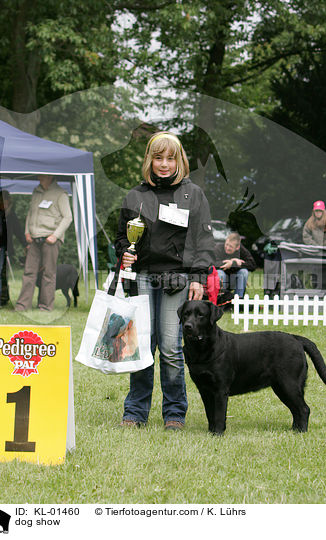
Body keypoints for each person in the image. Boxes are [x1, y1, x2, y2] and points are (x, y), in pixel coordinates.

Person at [115, 131, 215, 430]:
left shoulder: (193, 194)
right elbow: (123, 236)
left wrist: (198, 277)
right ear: (150, 160)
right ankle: (135, 412)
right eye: (158, 157)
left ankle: (174, 413)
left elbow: (203, 239)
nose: (164, 164)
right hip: (142, 278)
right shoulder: (135, 195)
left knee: (172, 348)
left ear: (179, 160)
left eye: (170, 158)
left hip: (179, 280)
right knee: (142, 347)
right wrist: (124, 252)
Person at [15, 175, 72, 312]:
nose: (39, 177)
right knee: (29, 272)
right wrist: (27, 231)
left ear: (50, 176)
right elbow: (31, 213)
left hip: (50, 239)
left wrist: (55, 235)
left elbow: (68, 217)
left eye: (42, 175)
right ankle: (22, 306)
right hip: (34, 238)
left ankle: (45, 307)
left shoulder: (60, 194)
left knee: (49, 273)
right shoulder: (36, 191)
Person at [215, 231, 256, 298]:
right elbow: (211, 263)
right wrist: (231, 263)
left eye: (230, 246)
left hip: (234, 280)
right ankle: (222, 299)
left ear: (237, 247)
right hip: (220, 281)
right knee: (219, 273)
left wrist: (235, 264)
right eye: (227, 244)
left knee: (243, 272)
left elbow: (252, 265)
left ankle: (238, 299)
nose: (227, 248)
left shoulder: (241, 250)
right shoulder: (218, 248)